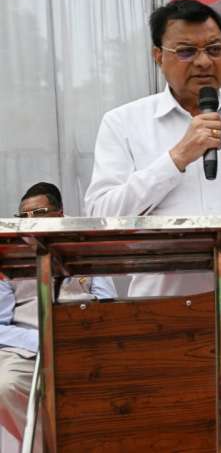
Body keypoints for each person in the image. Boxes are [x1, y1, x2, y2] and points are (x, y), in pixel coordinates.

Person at [83, 0, 221, 453]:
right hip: (163, 306)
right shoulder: (124, 124)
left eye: (214, 49)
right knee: (171, 421)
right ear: (158, 55)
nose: (203, 62)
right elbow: (102, 212)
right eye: (186, 51)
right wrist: (177, 157)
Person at [1, 183, 116, 441]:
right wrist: (42, 341)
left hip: (84, 344)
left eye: (39, 213)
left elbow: (107, 304)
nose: (31, 222)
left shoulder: (85, 246)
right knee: (4, 386)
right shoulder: (7, 255)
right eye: (24, 217)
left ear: (60, 214)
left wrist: (81, 337)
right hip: (27, 350)